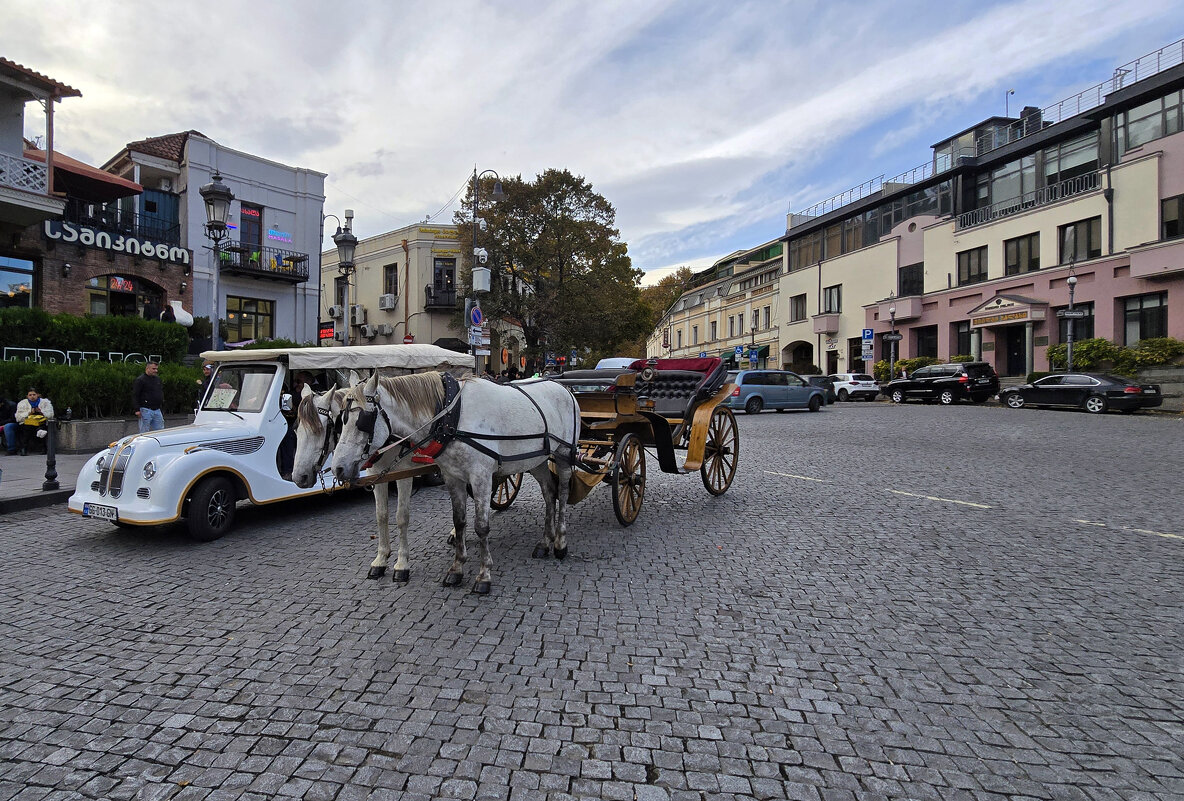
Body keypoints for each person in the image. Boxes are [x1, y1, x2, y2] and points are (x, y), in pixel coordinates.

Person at [15, 388, 54, 456]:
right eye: (30, 395)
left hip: (41, 422)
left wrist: (41, 412)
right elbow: (18, 417)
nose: (32, 396)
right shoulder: (22, 403)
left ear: (38, 395)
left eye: (34, 394)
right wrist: (29, 413)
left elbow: (50, 415)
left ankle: (43, 448)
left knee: (41, 430)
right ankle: (23, 449)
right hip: (27, 422)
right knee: (26, 429)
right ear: (27, 396)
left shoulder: (45, 402)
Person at [132, 361, 165, 433]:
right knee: (144, 431)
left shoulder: (157, 379)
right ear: (147, 368)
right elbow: (135, 395)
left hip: (157, 409)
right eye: (153, 369)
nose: (156, 371)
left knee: (161, 431)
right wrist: (137, 409)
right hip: (145, 409)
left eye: (156, 369)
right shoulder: (140, 380)